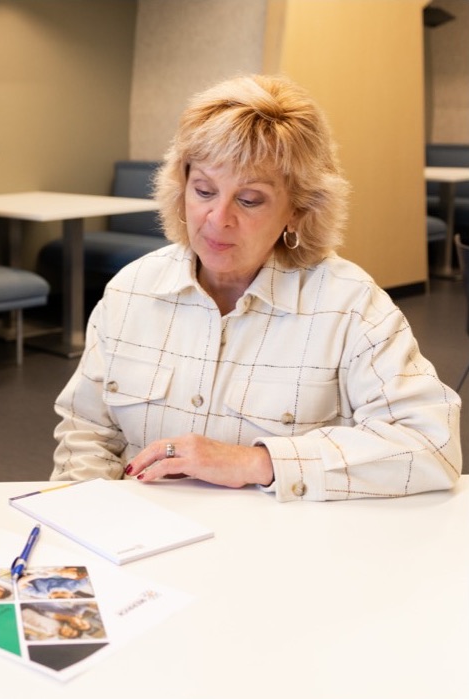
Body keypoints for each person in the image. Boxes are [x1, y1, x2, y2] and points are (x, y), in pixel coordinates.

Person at [50, 74, 461, 501]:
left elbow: (433, 445)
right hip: (141, 544)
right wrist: (88, 514)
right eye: (204, 190)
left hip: (282, 551)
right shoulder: (131, 291)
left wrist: (255, 462)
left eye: (249, 200)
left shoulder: (349, 304)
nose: (217, 218)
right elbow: (87, 434)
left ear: (298, 210)